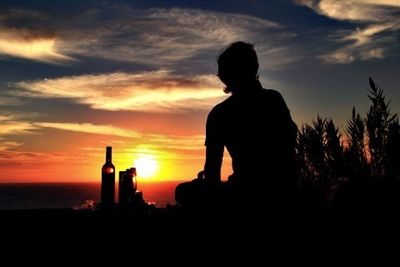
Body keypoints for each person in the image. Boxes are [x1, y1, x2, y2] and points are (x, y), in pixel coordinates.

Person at [175, 41, 298, 212]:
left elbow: (212, 171)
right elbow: (290, 143)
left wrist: (206, 187)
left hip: (244, 192)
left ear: (224, 76)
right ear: (255, 67)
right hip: (285, 188)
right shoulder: (274, 99)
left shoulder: (219, 114)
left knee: (182, 192)